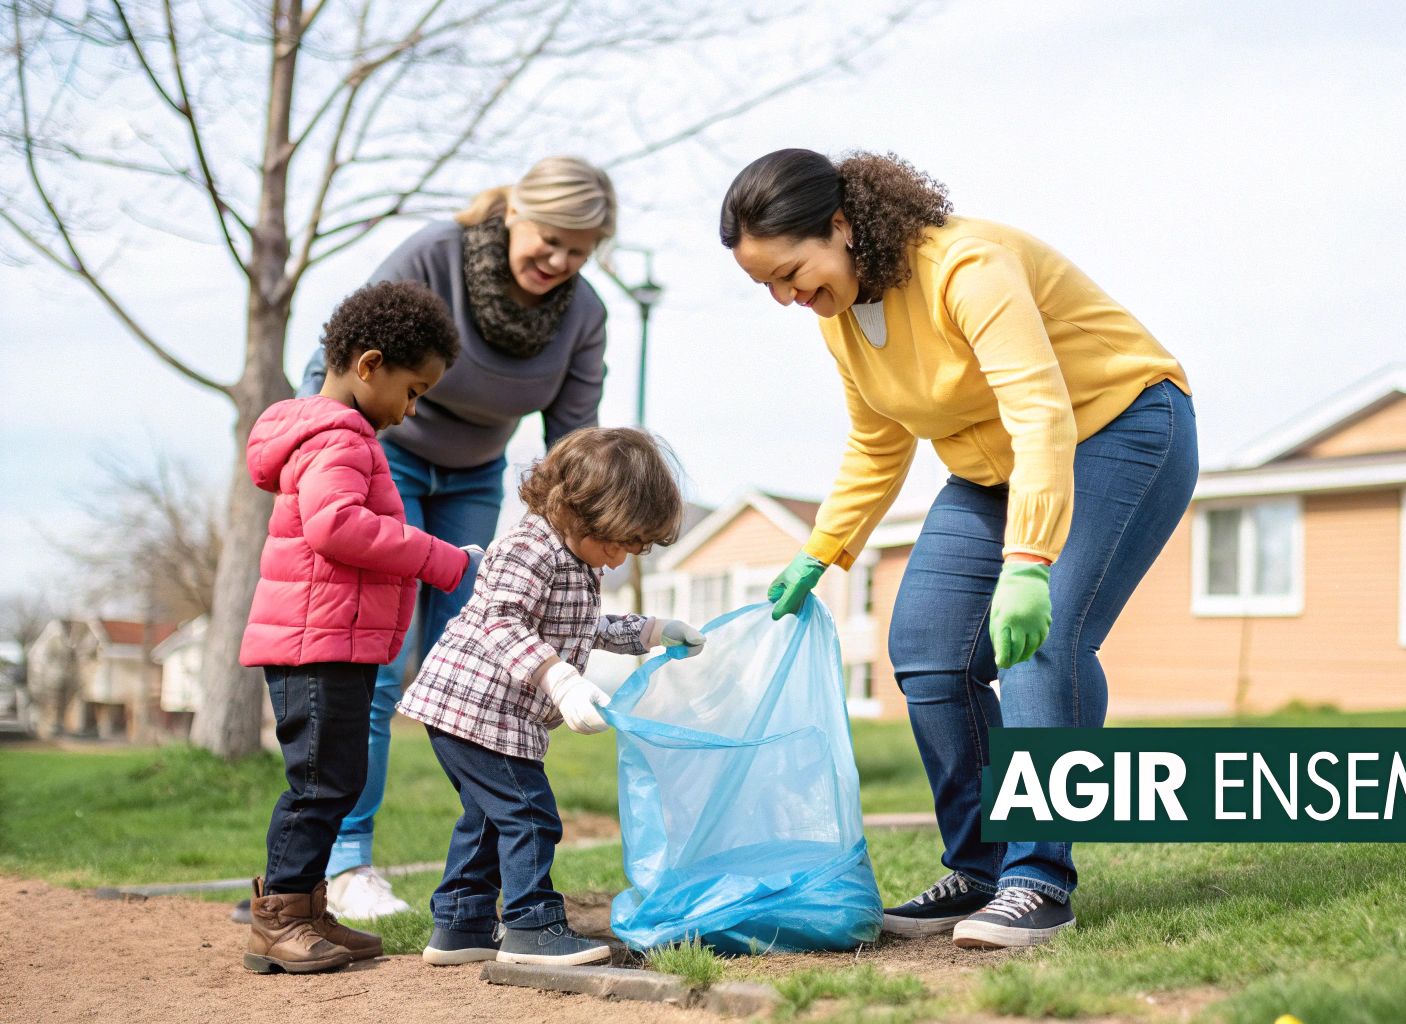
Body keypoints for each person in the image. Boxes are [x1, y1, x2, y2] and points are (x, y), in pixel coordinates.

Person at [721, 149, 1198, 949]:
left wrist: (1029, 561)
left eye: (790, 271)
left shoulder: (966, 267)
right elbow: (878, 442)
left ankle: (1038, 882)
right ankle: (978, 869)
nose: (785, 297)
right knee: (928, 652)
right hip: (992, 468)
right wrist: (823, 548)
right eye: (766, 284)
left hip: (1119, 427)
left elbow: (1040, 410)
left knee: (1042, 644)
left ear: (840, 226)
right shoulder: (843, 319)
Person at [290, 156, 618, 920]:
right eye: (549, 240)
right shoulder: (434, 256)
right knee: (379, 656)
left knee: (483, 668)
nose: (560, 262)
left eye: (580, 249)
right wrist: (325, 456)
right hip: (382, 458)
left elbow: (574, 444)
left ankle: (477, 873)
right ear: (514, 215)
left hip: (474, 478)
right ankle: (348, 861)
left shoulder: (584, 314)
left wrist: (577, 551)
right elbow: (333, 361)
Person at [399, 427, 708, 967]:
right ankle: (531, 926)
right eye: (616, 544)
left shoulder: (575, 559)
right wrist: (559, 679)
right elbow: (502, 618)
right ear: (578, 510)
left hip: (484, 714)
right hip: (474, 709)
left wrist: (654, 631)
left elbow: (584, 626)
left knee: (488, 818)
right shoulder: (528, 547)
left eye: (631, 550)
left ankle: (461, 925)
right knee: (530, 815)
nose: (617, 560)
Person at [239, 281, 476, 973]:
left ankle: (307, 909)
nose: (412, 408)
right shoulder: (338, 437)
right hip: (314, 647)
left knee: (335, 778)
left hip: (330, 641)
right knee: (320, 783)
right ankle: (279, 914)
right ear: (368, 365)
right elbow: (336, 526)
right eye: (413, 389)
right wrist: (438, 558)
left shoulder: (339, 435)